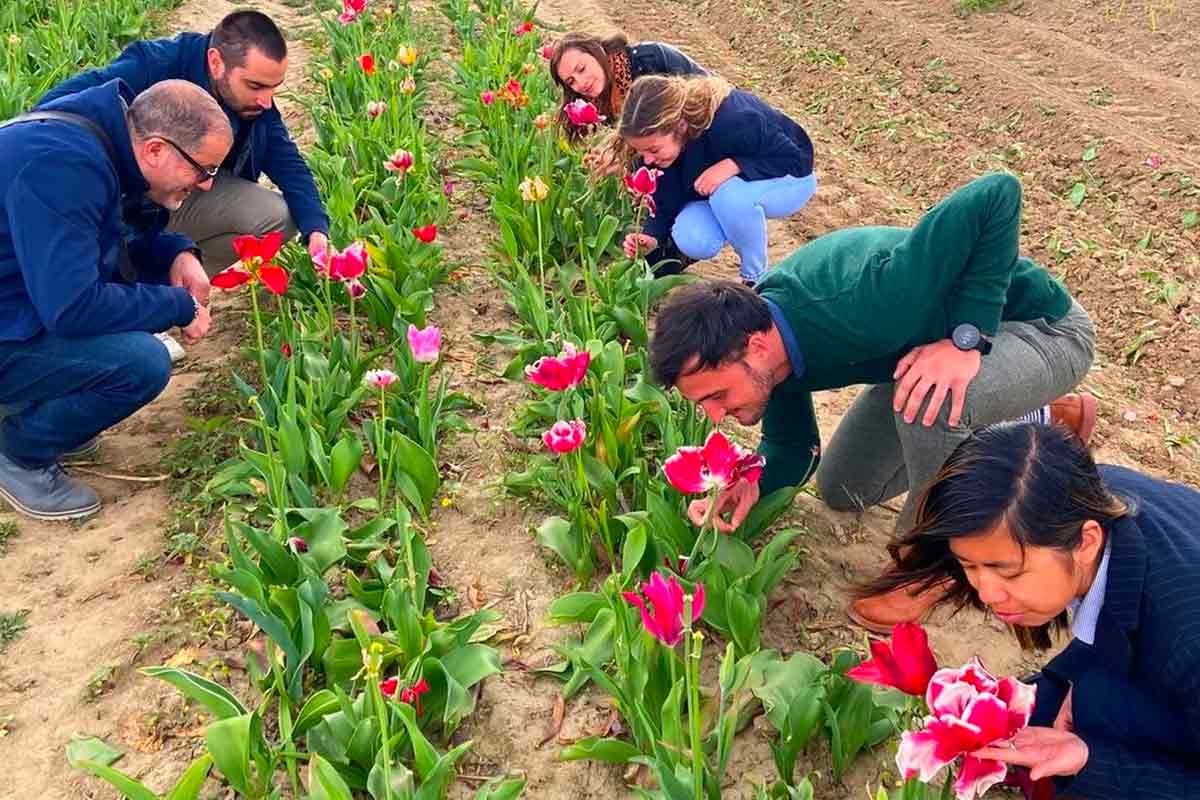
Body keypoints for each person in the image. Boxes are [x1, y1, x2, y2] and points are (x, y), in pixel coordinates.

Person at [648, 173, 1097, 630]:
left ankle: (929, 566)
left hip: (1041, 329)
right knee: (844, 488)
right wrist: (753, 482)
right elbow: (793, 447)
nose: (716, 415)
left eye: (718, 396)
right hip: (924, 356)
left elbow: (997, 194)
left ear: (756, 347)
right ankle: (1039, 415)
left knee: (932, 407)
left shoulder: (869, 295)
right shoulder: (770, 350)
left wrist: (967, 339)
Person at [854, 423, 1200, 799]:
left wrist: (1093, 761)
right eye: (969, 566)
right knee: (1035, 715)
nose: (986, 594)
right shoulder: (1078, 495)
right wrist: (1078, 674)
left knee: (1092, 719)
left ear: (1087, 542)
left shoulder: (1186, 641)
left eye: (1009, 572)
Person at [0, 78, 231, 521]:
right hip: (19, 312)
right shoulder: (65, 169)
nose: (205, 186)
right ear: (157, 150)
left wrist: (174, 253)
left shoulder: (97, 136)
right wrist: (177, 307)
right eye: (204, 170)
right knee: (141, 361)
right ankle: (19, 454)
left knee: (120, 335)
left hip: (14, 297)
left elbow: (106, 244)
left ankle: (44, 407)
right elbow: (74, 309)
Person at [40, 10, 330, 273]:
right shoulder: (154, 65)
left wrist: (316, 228)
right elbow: (54, 112)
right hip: (120, 201)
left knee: (278, 217)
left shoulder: (254, 104)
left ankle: (173, 289)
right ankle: (126, 286)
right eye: (255, 85)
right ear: (215, 62)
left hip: (180, 197)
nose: (266, 101)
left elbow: (287, 161)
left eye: (273, 88)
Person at [596, 75, 816, 284]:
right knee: (692, 237)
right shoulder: (653, 151)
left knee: (729, 195)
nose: (648, 159)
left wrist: (734, 165)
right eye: (641, 151)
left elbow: (797, 159)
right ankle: (735, 221)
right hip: (721, 191)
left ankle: (755, 276)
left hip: (789, 179)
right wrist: (650, 238)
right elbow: (664, 203)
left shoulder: (732, 120)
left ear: (680, 126)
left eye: (653, 149)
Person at [549, 32, 707, 136]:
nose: (581, 83)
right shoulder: (601, 104)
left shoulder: (652, 59)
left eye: (582, 69)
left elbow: (714, 95)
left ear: (597, 51)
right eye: (571, 81)